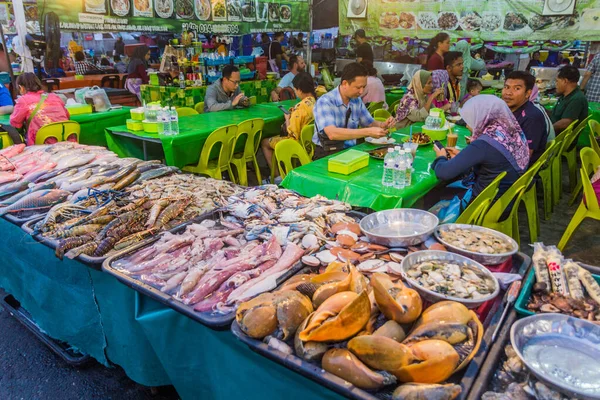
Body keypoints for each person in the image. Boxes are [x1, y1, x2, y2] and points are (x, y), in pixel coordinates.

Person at [433, 95, 529, 199]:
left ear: (481, 117)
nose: (468, 125)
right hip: (508, 194)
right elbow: (491, 160)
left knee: (434, 195)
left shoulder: (483, 144)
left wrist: (441, 157)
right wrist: (462, 156)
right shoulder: (509, 133)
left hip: (484, 203)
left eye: (470, 119)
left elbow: (443, 172)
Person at [312, 63, 395, 158]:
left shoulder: (356, 100)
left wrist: (382, 125)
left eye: (364, 87)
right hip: (327, 154)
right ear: (345, 84)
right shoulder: (325, 101)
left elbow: (369, 123)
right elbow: (332, 133)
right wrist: (368, 132)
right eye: (358, 87)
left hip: (350, 151)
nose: (361, 92)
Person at [262, 72, 316, 174]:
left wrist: (287, 118)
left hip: (296, 143)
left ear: (300, 89)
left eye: (295, 89)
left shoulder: (300, 108)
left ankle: (277, 176)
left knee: (265, 143)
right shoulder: (315, 101)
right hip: (310, 143)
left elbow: (291, 134)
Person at [502, 71, 551, 166]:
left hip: (518, 170)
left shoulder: (531, 117)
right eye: (506, 87)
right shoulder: (508, 110)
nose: (508, 93)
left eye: (517, 88)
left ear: (528, 93)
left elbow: (524, 158)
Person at [10, 73, 70, 146]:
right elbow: (67, 116)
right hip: (66, 141)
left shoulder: (23, 100)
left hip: (41, 145)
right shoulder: (55, 97)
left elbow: (15, 123)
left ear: (21, 88)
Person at [550, 65, 589, 134]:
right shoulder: (565, 95)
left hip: (559, 140)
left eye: (557, 81)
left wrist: (547, 130)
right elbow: (555, 114)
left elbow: (565, 123)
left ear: (565, 81)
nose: (556, 84)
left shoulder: (577, 99)